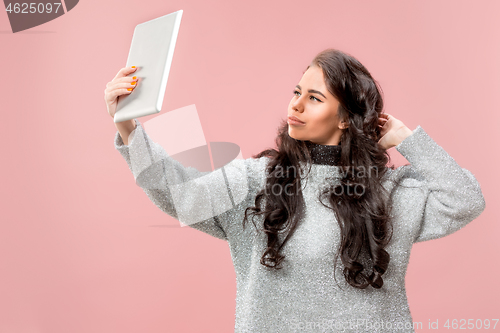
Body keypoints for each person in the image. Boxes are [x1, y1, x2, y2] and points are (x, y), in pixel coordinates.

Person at [105, 49, 486, 333]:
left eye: (315, 98)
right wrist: (128, 126)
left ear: (346, 119)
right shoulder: (259, 179)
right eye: (297, 92)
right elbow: (179, 191)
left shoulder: (389, 191)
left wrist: (407, 139)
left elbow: (465, 200)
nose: (296, 105)